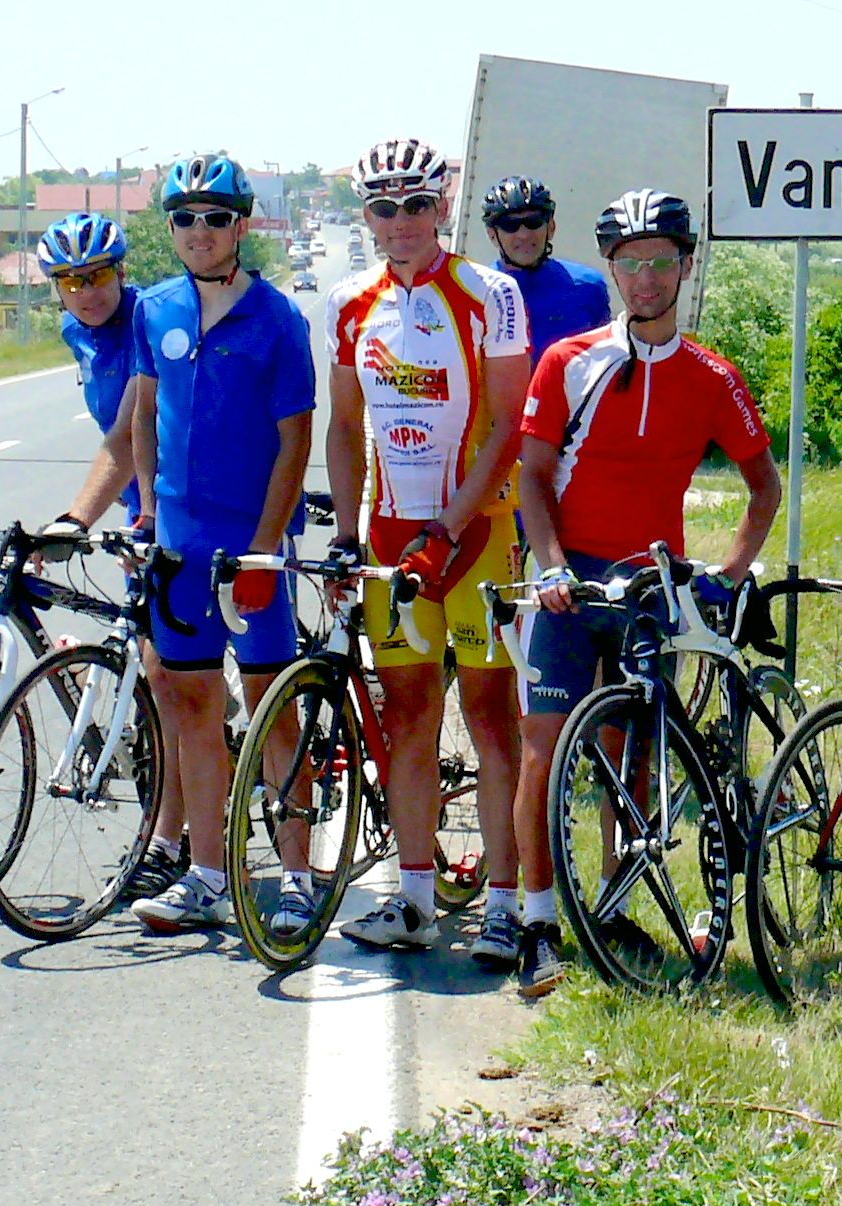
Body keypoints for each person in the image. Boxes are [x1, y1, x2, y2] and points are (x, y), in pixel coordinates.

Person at [511, 188, 783, 997]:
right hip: (570, 582)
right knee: (544, 750)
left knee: (633, 755)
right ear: (613, 271)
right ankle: (536, 923)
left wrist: (730, 575)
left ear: (685, 266)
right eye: (630, 264)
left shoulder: (712, 376)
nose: (647, 279)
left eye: (661, 262)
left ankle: (615, 906)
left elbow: (763, 488)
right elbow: (532, 477)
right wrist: (552, 566)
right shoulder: (569, 361)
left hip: (652, 584)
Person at [322, 139, 531, 965]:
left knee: (490, 719)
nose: (400, 221)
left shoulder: (490, 293)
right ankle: (414, 896)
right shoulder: (348, 302)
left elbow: (510, 427)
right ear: (366, 216)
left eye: (416, 205)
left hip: (475, 536)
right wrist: (346, 536)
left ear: (442, 206)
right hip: (389, 538)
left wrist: (447, 527)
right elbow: (343, 427)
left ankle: (506, 902)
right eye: (384, 207)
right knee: (406, 716)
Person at [121, 154, 319, 935]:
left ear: (240, 227)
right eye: (184, 218)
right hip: (180, 544)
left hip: (251, 547)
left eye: (214, 218)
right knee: (191, 707)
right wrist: (146, 510)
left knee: (273, 709)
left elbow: (295, 440)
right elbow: (143, 415)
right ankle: (205, 873)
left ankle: (298, 878)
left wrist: (267, 548)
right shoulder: (154, 309)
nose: (198, 232)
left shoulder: (278, 318)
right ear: (170, 228)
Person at [32, 213, 187, 903]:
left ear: (122, 272)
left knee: (167, 678)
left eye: (96, 277)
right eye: (69, 282)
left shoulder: (148, 320)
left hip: (188, 502)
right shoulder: (79, 333)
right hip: (144, 507)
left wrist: (74, 520)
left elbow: (128, 435)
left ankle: (173, 841)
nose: (85, 293)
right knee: (158, 671)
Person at [479, 176, 612, 367]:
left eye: (533, 222)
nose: (524, 234)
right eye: (510, 225)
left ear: (551, 227)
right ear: (492, 235)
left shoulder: (590, 287)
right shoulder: (477, 292)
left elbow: (608, 362)